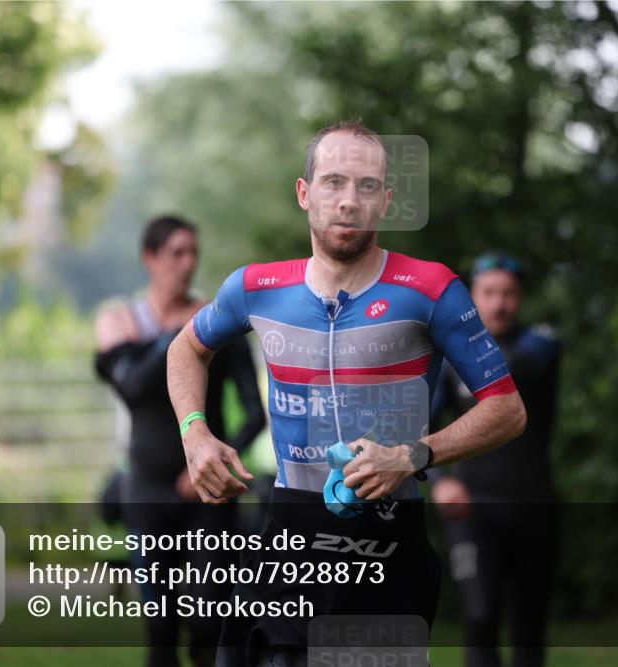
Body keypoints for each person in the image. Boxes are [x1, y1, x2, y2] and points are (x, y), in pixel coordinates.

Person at [166, 120, 528, 667]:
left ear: (385, 201)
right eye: (333, 182)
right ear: (304, 193)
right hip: (289, 531)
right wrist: (195, 435)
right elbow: (185, 348)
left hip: (387, 539)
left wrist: (411, 456)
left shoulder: (431, 290)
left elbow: (507, 409)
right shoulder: (256, 288)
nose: (348, 201)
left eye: (365, 186)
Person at [94, 215, 266, 667]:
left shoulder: (220, 323)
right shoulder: (120, 322)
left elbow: (254, 414)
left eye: (194, 252)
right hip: (147, 492)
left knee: (210, 622)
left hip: (209, 491)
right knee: (162, 629)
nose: (188, 263)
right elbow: (131, 386)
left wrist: (215, 461)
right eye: (177, 253)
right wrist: (185, 334)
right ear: (149, 258)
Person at [430, 251, 561, 667]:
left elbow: (515, 367)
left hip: (534, 505)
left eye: (508, 294)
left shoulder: (541, 343)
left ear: (520, 298)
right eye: (488, 293)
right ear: (473, 296)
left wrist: (454, 341)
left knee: (529, 625)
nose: (499, 303)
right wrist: (440, 481)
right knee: (480, 614)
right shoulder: (451, 358)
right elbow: (424, 427)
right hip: (473, 508)